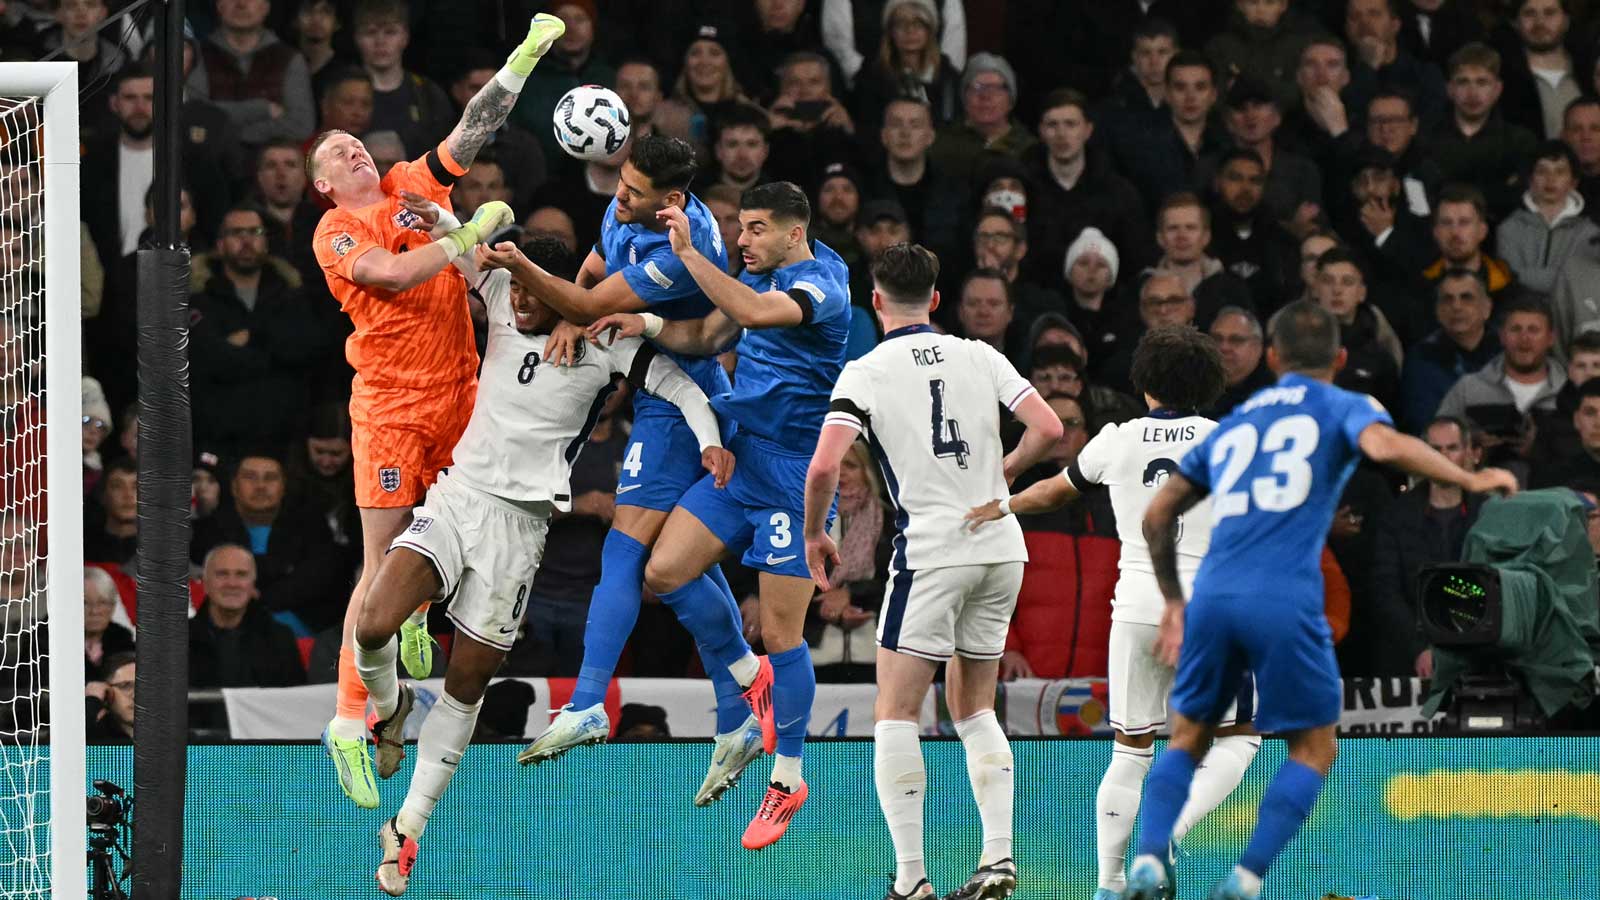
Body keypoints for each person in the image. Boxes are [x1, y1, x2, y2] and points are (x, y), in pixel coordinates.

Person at [351, 236, 728, 895]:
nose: (521, 299)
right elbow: (456, 240)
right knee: (374, 623)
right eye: (516, 287)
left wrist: (711, 443)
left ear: (560, 294)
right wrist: (427, 205)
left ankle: (407, 829)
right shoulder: (498, 293)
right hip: (457, 496)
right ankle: (390, 710)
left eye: (534, 290)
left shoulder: (604, 342)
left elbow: (683, 389)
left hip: (521, 530)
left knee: (468, 683)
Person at [1125, 300, 1516, 900]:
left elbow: (1157, 516)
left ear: (1274, 358)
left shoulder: (1236, 420)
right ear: (1338, 358)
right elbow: (1386, 448)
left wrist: (1175, 601)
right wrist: (1467, 479)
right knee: (1313, 744)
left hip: (1214, 595)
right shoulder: (1345, 406)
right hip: (1285, 597)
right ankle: (1247, 875)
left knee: (1186, 735)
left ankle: (1149, 858)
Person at [307, 12, 567, 809]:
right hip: (390, 408)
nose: (353, 147)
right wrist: (464, 241)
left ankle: (415, 625)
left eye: (356, 141)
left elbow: (473, 127)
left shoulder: (409, 187)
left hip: (459, 399)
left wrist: (523, 58)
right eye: (335, 153)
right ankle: (350, 720)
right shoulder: (337, 230)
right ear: (323, 182)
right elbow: (389, 275)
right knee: (379, 563)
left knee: (462, 534)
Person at [575, 182, 852, 850]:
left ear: (793, 233)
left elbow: (755, 312)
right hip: (742, 457)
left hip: (794, 479)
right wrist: (641, 324)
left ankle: (787, 778)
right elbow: (706, 333)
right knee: (663, 570)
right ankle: (744, 679)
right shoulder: (757, 277)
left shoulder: (823, 288)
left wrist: (691, 254)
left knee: (784, 634)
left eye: (755, 229)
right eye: (739, 228)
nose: (743, 239)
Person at [486, 136, 758, 813]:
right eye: (619, 183)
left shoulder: (681, 255)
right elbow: (593, 269)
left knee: (626, 553)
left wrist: (541, 283)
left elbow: (587, 303)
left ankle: (587, 704)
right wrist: (576, 307)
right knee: (679, 566)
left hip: (677, 395)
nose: (617, 197)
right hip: (651, 388)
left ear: (670, 203)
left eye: (632, 192)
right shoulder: (630, 207)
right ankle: (740, 704)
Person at [802, 242, 1062, 900]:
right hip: (1001, 547)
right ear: (939, 301)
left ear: (876, 301)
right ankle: (998, 859)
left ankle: (913, 881)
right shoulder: (979, 355)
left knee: (894, 711)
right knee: (974, 707)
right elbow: (1050, 426)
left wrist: (814, 535)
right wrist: (1000, 477)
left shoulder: (866, 369)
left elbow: (826, 466)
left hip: (934, 552)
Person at [968, 324, 1260, 900]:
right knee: (1238, 739)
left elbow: (1057, 489)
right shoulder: (1230, 440)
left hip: (1134, 611)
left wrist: (1001, 505)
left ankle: (1109, 885)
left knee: (1130, 751)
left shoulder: (1117, 438)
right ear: (1208, 384)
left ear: (1143, 382)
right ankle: (1166, 838)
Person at [189, 543, 307, 689]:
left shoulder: (281, 638)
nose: (232, 583)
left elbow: (295, 704)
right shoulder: (175, 640)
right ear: (205, 583)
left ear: (252, 585)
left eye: (241, 574)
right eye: (222, 574)